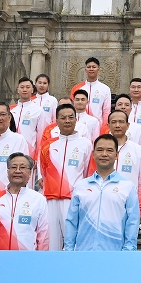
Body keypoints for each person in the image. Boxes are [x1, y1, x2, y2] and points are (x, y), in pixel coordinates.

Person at [63, 134, 140, 251]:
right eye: (100, 150)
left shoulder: (128, 186)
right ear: (93, 154)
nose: (104, 154)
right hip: (84, 252)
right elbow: (71, 221)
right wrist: (69, 250)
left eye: (109, 150)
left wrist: (128, 252)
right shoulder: (81, 186)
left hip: (115, 254)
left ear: (116, 155)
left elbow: (132, 222)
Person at [39, 103, 93, 251]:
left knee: (73, 242)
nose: (67, 121)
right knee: (51, 244)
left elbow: (88, 172)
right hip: (50, 199)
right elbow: (43, 171)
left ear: (76, 119)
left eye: (70, 117)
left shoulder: (86, 144)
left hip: (73, 199)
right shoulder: (47, 145)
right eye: (63, 118)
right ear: (56, 121)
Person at [0, 154, 49, 250]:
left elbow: (43, 235)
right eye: (14, 167)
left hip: (26, 257)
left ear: (30, 173)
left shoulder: (39, 200)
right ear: (8, 172)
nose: (17, 171)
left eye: (22, 167)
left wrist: (41, 257)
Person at [105, 110, 141, 218]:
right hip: (104, 204)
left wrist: (140, 209)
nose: (117, 125)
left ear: (128, 125)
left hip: (129, 205)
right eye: (114, 122)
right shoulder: (100, 149)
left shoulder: (138, 150)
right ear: (108, 126)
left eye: (121, 122)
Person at [10, 78, 51, 156]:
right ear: (18, 90)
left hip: (29, 153)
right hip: (11, 150)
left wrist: (37, 155)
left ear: (32, 90)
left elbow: (41, 135)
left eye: (28, 87)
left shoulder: (38, 111)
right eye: (22, 87)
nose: (25, 90)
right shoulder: (11, 110)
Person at [70, 57, 112, 126]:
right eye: (89, 67)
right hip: (78, 124)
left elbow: (106, 111)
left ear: (99, 69)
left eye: (94, 67)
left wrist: (104, 127)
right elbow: (71, 108)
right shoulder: (76, 88)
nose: (91, 69)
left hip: (97, 125)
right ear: (85, 70)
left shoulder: (105, 89)